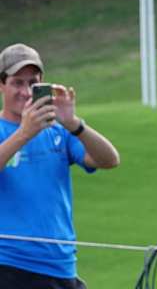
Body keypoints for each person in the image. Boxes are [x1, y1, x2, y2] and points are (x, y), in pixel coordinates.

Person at [0, 43, 120, 288]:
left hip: (62, 266)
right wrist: (24, 133)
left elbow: (109, 160)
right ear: (2, 85)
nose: (25, 91)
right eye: (17, 82)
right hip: (11, 266)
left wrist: (74, 124)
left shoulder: (57, 131)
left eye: (32, 83)